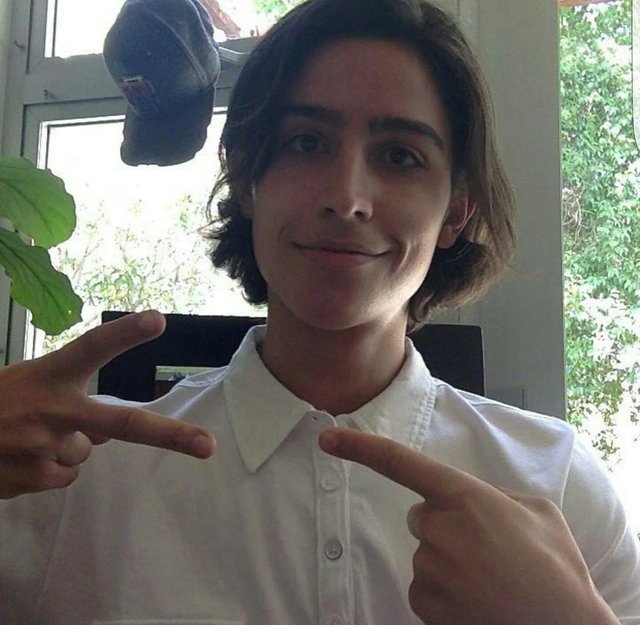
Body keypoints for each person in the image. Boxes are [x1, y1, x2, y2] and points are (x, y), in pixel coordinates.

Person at [0, 0, 639, 623]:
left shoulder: (554, 482)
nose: (346, 197)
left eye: (399, 155)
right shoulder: (76, 480)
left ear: (455, 212)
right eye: (306, 143)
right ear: (246, 179)